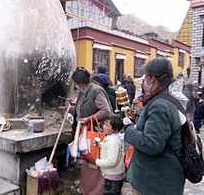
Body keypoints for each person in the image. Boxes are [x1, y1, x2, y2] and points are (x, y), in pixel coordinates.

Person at [123, 57, 185, 195]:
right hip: (161, 179)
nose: (143, 81)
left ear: (151, 78)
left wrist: (129, 130)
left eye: (145, 76)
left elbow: (152, 145)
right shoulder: (170, 99)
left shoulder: (160, 105)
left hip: (155, 183)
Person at [67, 67, 112, 195]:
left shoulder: (96, 91)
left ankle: (96, 191)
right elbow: (81, 106)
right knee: (86, 160)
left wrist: (89, 119)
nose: (76, 86)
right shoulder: (83, 92)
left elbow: (105, 110)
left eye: (76, 83)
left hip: (96, 132)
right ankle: (86, 188)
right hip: (84, 131)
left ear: (81, 83)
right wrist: (72, 107)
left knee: (94, 160)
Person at [95, 114, 125, 195]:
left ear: (115, 129)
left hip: (112, 176)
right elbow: (107, 147)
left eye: (107, 125)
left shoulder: (113, 143)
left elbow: (111, 162)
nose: (104, 126)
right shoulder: (113, 138)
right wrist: (100, 144)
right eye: (104, 124)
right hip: (114, 175)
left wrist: (97, 162)